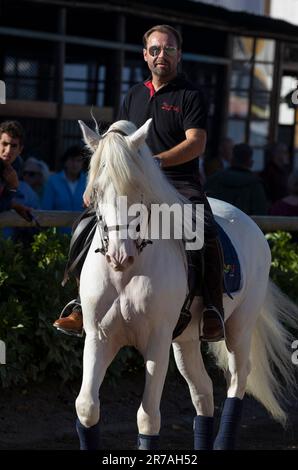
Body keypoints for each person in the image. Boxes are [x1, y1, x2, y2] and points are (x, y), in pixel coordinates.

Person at [54, 24, 225, 342]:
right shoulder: (132, 95)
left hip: (178, 183)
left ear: (179, 54)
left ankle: (213, 309)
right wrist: (96, 186)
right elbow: (112, 144)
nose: (163, 54)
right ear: (146, 55)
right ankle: (81, 302)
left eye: (170, 49)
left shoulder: (190, 95)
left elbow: (196, 143)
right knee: (86, 226)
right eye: (156, 49)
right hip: (131, 186)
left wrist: (155, 162)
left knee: (205, 230)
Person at [204, 143, 268, 215]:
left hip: (216, 224)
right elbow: (261, 213)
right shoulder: (255, 185)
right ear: (251, 163)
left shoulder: (214, 179)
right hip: (244, 225)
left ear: (232, 159)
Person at [42, 145, 87, 233]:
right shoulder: (53, 181)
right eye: (72, 160)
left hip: (83, 236)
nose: (75, 164)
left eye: (79, 160)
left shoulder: (88, 182)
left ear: (82, 163)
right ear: (65, 162)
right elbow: (46, 209)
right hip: (57, 237)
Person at [0, 120, 32, 221]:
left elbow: (5, 198)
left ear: (20, 150)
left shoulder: (16, 163)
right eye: (4, 144)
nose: (8, 150)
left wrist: (14, 205)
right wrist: (13, 186)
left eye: (13, 146)